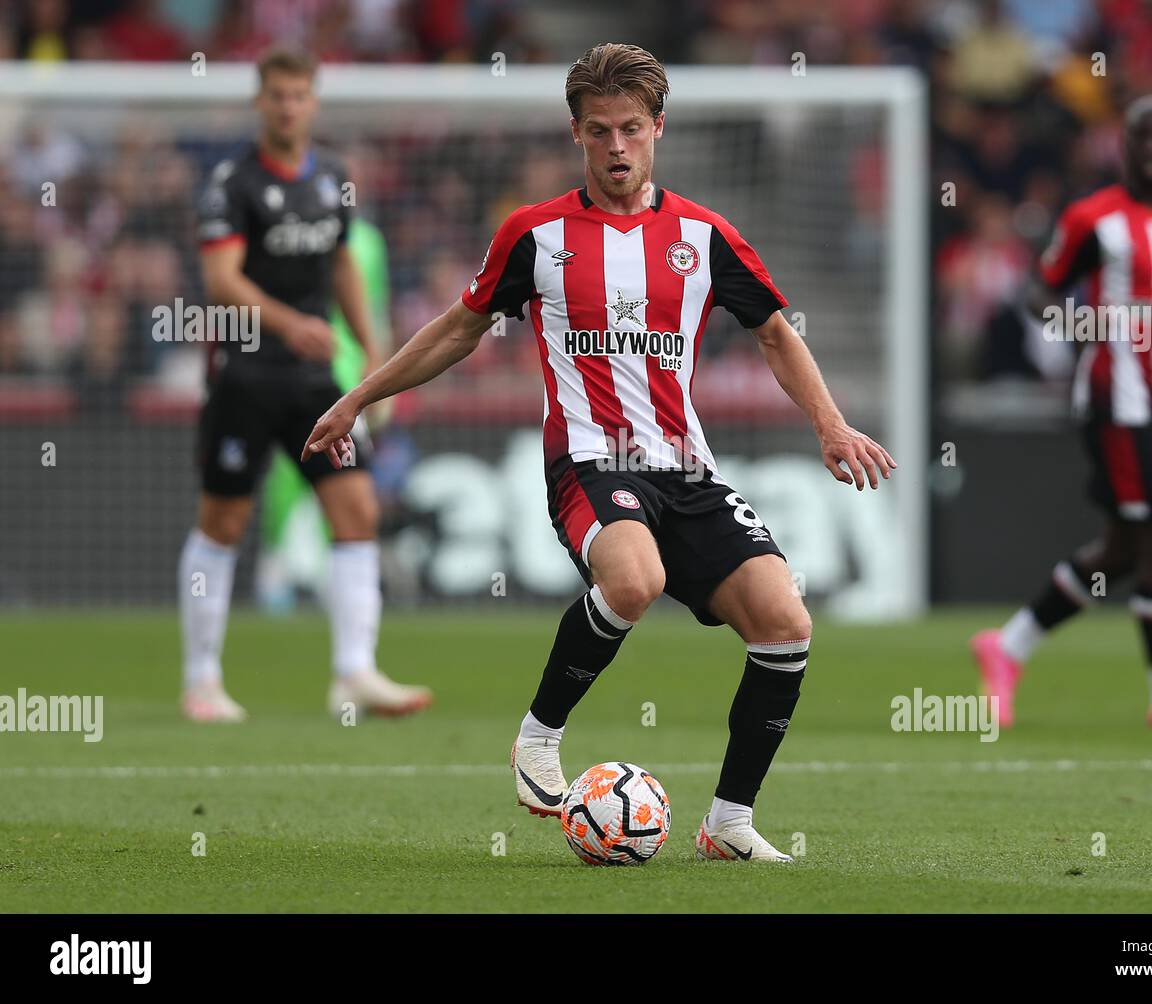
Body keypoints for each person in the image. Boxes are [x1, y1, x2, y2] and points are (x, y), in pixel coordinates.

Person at [302, 43, 895, 861]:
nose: (616, 147)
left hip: (686, 469)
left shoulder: (706, 236)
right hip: (588, 462)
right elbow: (457, 330)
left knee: (787, 623)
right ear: (576, 135)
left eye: (630, 130)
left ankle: (728, 824)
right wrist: (359, 395)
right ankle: (538, 739)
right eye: (598, 131)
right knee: (635, 578)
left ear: (658, 128)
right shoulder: (535, 235)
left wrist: (831, 425)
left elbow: (774, 333)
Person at [971, 95, 1152, 732]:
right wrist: (1076, 318)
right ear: (1124, 144)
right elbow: (1040, 288)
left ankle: (1006, 647)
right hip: (1115, 401)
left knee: (1125, 549)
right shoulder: (1095, 220)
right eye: (1141, 136)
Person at [180, 47, 431, 722]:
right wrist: (291, 324)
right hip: (245, 372)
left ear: (313, 101)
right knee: (224, 520)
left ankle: (354, 672)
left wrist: (374, 347)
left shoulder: (333, 180)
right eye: (277, 95)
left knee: (356, 512)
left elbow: (343, 265)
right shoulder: (231, 183)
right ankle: (201, 679)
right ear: (261, 102)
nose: (289, 106)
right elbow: (221, 279)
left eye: (299, 95)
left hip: (317, 378)